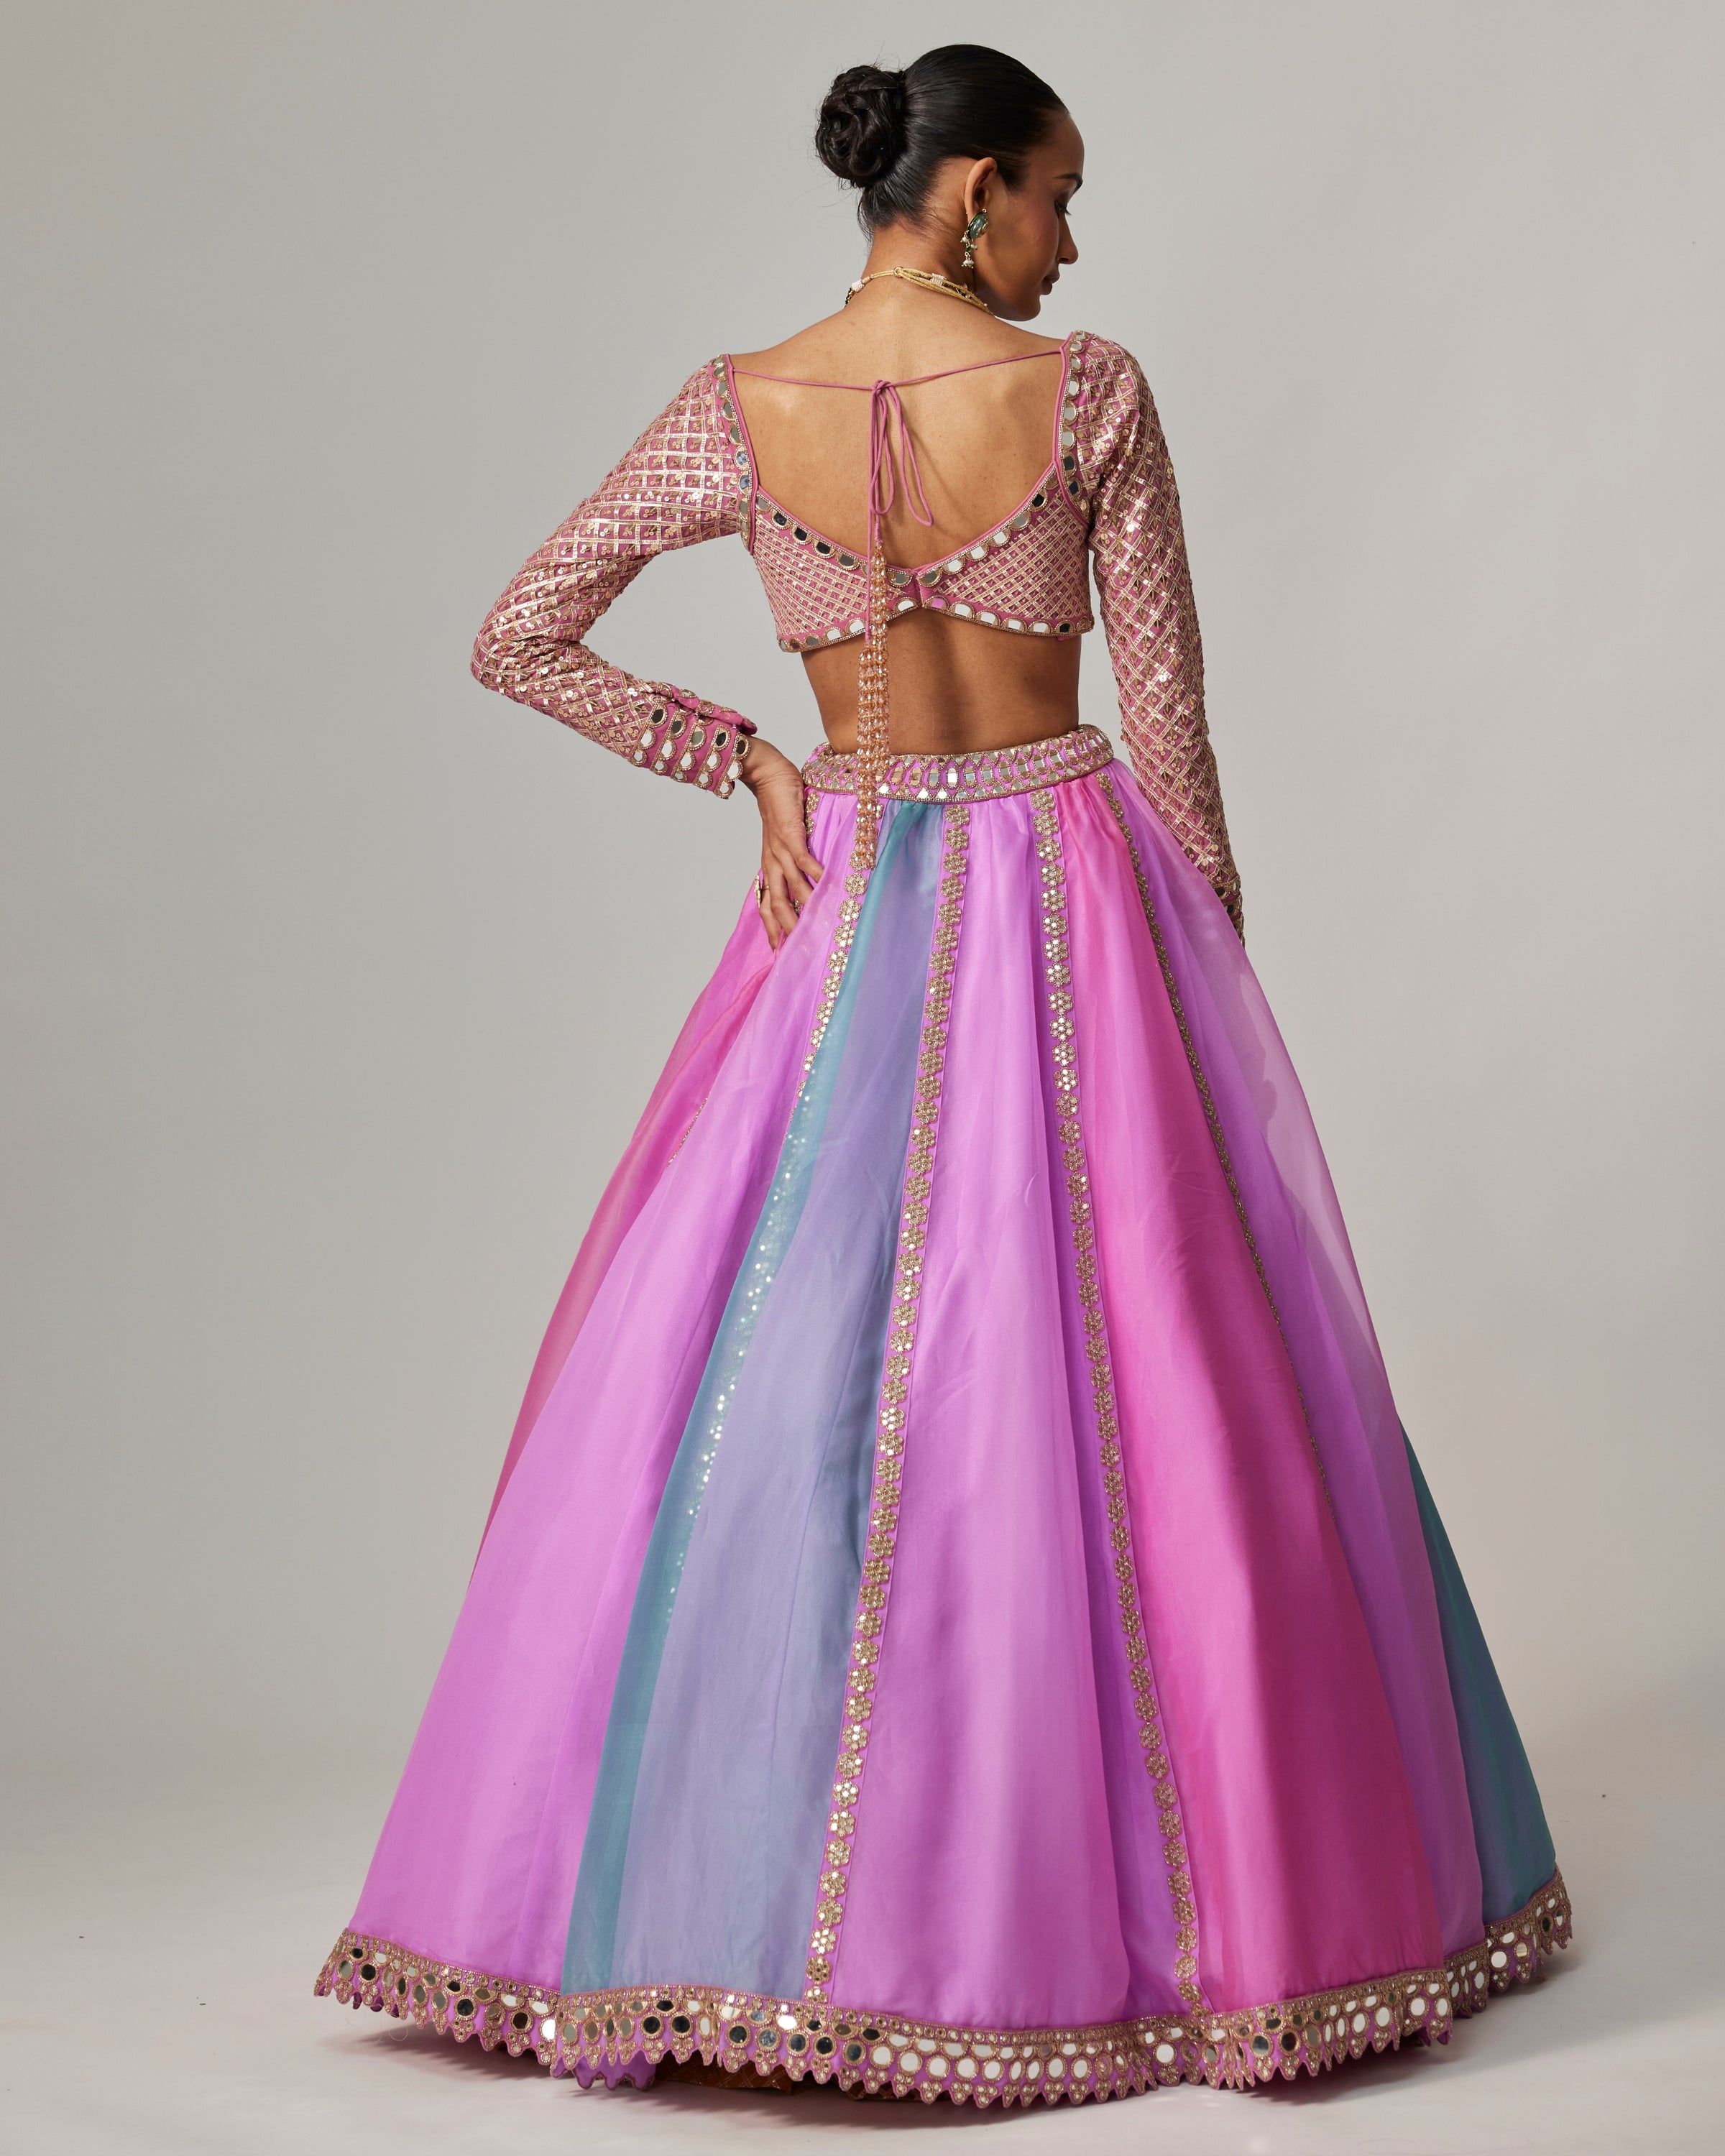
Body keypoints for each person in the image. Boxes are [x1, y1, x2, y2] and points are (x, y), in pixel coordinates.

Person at [316, 44, 1569, 2107]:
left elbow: (518, 631)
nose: (1072, 243)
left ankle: (776, 1909)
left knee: (792, 1378)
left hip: (850, 888)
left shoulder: (739, 405)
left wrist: (752, 758)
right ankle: (1192, 1908)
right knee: (1141, 1381)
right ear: (975, 190)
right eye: (1059, 196)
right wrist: (1211, 964)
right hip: (1075, 886)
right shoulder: (1086, 395)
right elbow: (1170, 726)